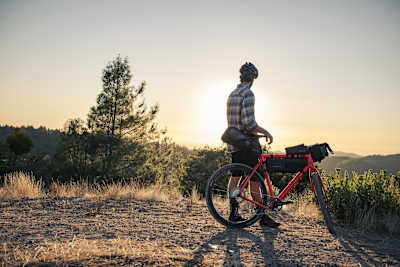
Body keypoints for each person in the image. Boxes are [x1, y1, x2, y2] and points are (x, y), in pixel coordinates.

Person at [226, 62, 280, 228]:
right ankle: (261, 215)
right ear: (253, 79)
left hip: (234, 142)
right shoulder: (248, 94)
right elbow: (249, 124)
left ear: (241, 76)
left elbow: (236, 122)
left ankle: (233, 214)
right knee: (256, 180)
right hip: (247, 146)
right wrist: (266, 132)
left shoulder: (232, 94)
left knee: (236, 176)